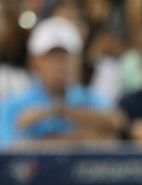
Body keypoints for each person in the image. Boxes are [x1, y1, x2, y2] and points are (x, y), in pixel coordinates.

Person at [0, 16, 122, 149]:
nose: (60, 64)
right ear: (35, 62)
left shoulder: (88, 98)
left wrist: (54, 112)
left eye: (66, 56)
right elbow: (10, 150)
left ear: (77, 61)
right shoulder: (13, 105)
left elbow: (116, 124)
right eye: (51, 56)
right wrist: (82, 137)